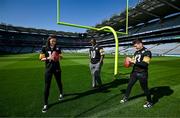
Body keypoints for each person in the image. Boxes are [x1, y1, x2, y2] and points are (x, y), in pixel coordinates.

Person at [120, 39, 153, 108]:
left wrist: (132, 60)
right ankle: (126, 97)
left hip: (142, 73)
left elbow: (145, 64)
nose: (135, 48)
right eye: (134, 46)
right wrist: (128, 63)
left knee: (145, 89)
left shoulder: (147, 52)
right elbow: (134, 63)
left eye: (136, 46)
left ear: (140, 43)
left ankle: (149, 102)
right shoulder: (136, 52)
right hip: (134, 72)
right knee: (129, 85)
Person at [39, 35, 63, 113]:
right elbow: (41, 58)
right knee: (47, 85)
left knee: (59, 82)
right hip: (48, 69)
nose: (54, 42)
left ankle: (61, 93)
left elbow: (61, 57)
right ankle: (45, 104)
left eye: (55, 41)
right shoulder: (44, 48)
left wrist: (58, 57)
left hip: (57, 68)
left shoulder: (58, 48)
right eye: (52, 41)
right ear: (49, 40)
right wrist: (49, 58)